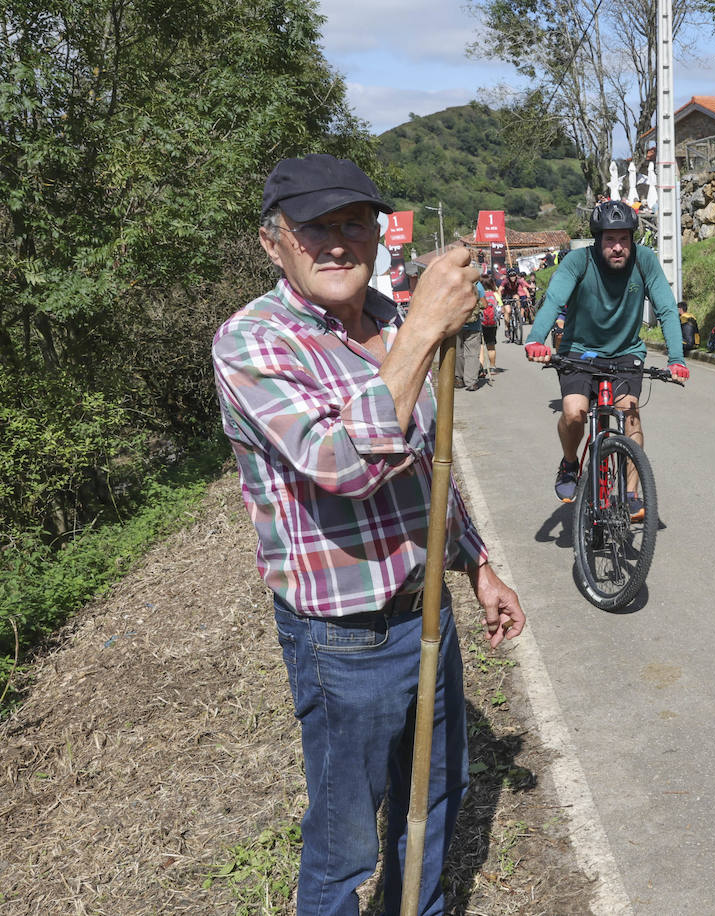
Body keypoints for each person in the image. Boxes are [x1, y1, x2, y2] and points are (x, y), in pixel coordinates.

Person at [212, 154, 525, 916]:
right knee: (345, 842)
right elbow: (341, 464)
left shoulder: (390, 325)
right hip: (342, 640)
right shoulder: (254, 344)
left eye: (355, 223)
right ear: (273, 242)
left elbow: (426, 472)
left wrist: (477, 564)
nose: (339, 242)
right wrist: (421, 331)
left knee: (438, 794)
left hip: (427, 617)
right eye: (316, 226)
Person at [523, 200, 689, 509]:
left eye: (623, 239)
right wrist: (536, 340)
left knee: (631, 413)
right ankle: (570, 462)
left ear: (632, 240)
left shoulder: (645, 261)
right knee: (574, 413)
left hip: (625, 353)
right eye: (610, 239)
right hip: (578, 352)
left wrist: (676, 359)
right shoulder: (578, 261)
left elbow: (667, 309)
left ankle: (629, 494)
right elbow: (554, 299)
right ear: (598, 240)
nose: (617, 247)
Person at [456, 278, 485, 390]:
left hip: (457, 325)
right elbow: (485, 304)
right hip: (474, 325)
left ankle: (459, 378)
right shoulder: (477, 285)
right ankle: (471, 382)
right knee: (472, 353)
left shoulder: (454, 282)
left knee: (458, 352)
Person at [479, 284, 500, 376]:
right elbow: (500, 308)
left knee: (481, 347)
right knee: (491, 346)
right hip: (492, 323)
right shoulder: (495, 294)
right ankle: (492, 367)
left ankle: (481, 369)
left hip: (480, 322)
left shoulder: (479, 292)